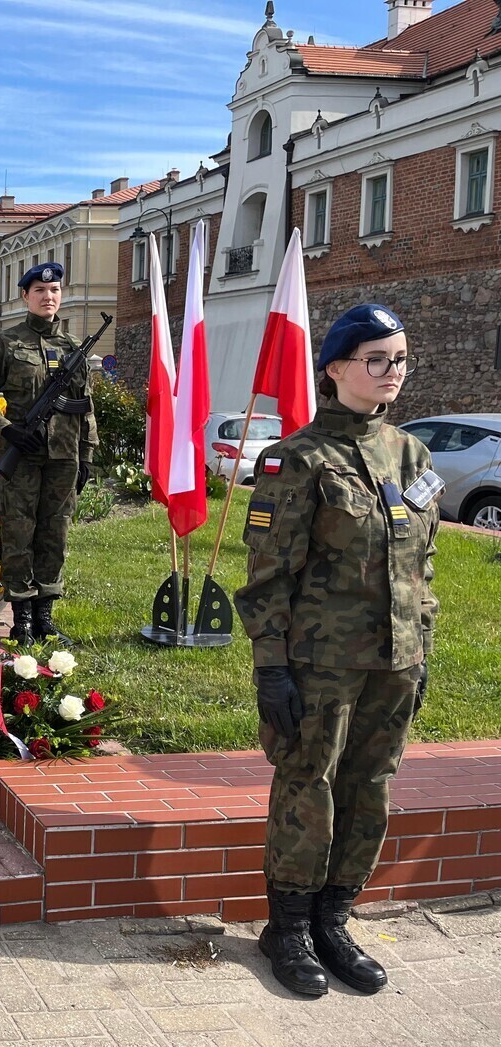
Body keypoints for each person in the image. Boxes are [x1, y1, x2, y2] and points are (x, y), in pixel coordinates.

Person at [235, 303, 441, 998]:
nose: (392, 371)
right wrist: (271, 668)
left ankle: (333, 920)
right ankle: (288, 927)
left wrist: (421, 647)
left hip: (395, 661)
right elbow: (268, 578)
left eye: (400, 358)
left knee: (371, 785)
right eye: (376, 359)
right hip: (320, 662)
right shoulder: (295, 460)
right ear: (335, 369)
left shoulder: (411, 454)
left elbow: (422, 563)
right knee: (308, 785)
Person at [0, 262, 97, 645]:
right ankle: (21, 620)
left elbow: (85, 407)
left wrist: (87, 455)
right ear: (25, 296)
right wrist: (8, 429)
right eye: (39, 290)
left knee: (55, 534)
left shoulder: (73, 348)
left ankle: (45, 619)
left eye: (54, 290)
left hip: (64, 457)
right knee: (19, 535)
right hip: (21, 457)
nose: (48, 297)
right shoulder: (5, 344)